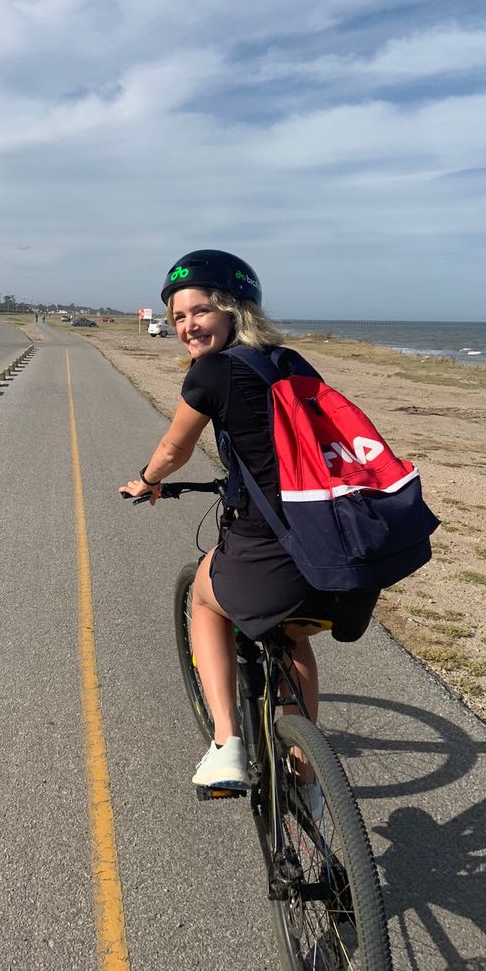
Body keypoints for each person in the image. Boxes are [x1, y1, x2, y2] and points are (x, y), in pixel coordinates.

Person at [119, 250, 379, 791]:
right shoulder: (291, 361)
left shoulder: (212, 373)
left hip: (269, 541)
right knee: (292, 637)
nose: (188, 326)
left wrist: (146, 479)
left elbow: (174, 449)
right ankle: (307, 785)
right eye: (178, 318)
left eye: (200, 311)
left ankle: (226, 745)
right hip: (330, 536)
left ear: (235, 310)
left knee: (205, 599)